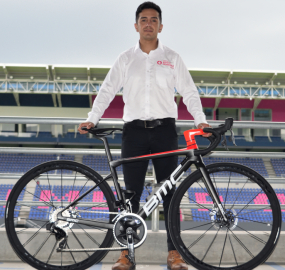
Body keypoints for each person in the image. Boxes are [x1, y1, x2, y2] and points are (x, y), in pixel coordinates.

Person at [78, 2, 210, 269]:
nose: (148, 23)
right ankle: (126, 255)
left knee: (170, 196)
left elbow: (190, 91)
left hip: (165, 132)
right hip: (134, 133)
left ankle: (175, 254)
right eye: (143, 19)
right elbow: (106, 90)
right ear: (136, 25)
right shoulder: (126, 58)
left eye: (153, 19)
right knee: (131, 195)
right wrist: (92, 119)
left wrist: (201, 121)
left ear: (161, 26)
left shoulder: (172, 57)